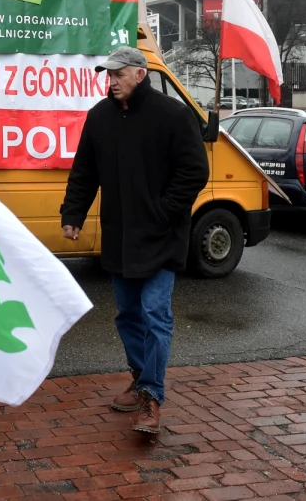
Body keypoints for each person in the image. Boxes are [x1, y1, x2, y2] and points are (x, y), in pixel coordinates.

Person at [58, 46, 209, 436]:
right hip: (120, 237)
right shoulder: (99, 117)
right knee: (128, 315)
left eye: (117, 74)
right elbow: (84, 171)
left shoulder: (173, 116)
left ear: (139, 74)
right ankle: (141, 376)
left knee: (155, 313)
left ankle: (152, 398)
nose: (110, 81)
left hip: (162, 236)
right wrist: (73, 213)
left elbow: (194, 171)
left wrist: (164, 211)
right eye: (107, 75)